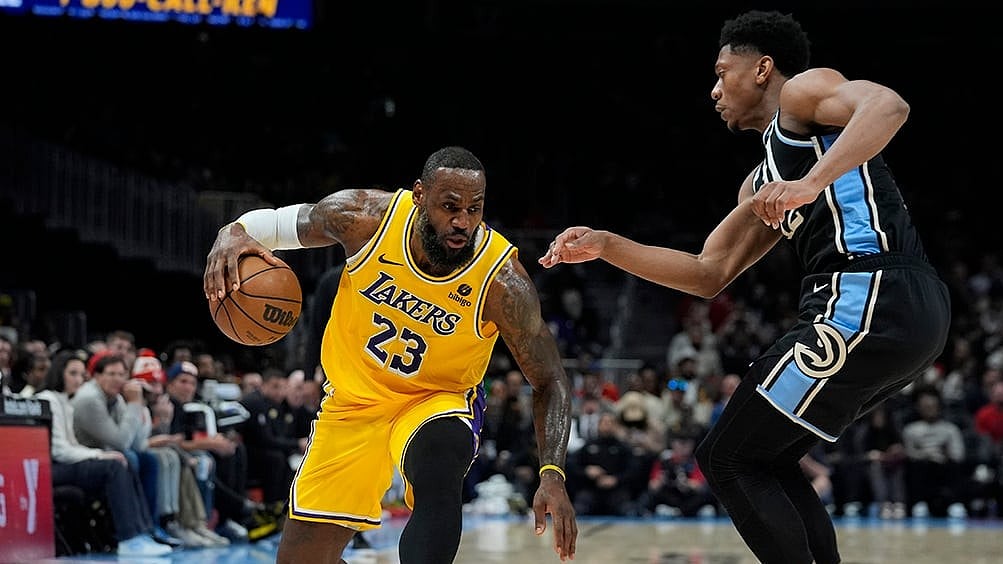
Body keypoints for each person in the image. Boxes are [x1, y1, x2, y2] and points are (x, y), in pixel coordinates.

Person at [539, 10, 950, 564]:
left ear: (761, 69)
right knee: (763, 458)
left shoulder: (803, 93)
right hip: (895, 308)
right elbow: (708, 272)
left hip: (871, 291)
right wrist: (607, 245)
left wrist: (810, 183)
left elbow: (888, 105)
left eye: (721, 73)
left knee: (726, 458)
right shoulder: (761, 182)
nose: (714, 91)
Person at [204, 146, 578, 563]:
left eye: (474, 209)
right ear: (419, 195)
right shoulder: (364, 218)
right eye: (450, 206)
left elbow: (550, 379)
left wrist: (552, 473)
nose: (463, 221)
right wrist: (232, 231)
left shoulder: (501, 282)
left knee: (440, 462)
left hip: (435, 400)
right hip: (352, 402)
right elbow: (276, 225)